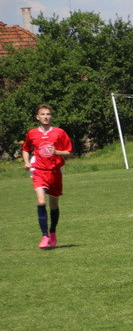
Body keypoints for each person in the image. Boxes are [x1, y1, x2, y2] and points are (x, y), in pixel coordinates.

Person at [21, 104, 74, 249]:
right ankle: (44, 236)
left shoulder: (59, 132)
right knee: (41, 202)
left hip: (55, 172)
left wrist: (56, 152)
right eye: (43, 114)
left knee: (54, 206)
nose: (46, 117)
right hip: (38, 171)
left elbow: (69, 153)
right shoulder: (32, 133)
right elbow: (25, 149)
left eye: (48, 114)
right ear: (37, 117)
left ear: (51, 116)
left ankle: (53, 232)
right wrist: (26, 162)